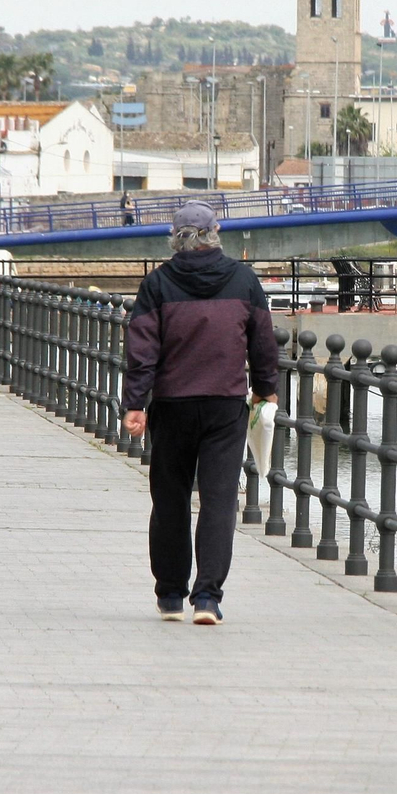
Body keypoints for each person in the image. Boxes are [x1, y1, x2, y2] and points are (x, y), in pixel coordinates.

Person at [122, 200, 278, 625]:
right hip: (224, 405)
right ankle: (207, 598)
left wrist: (135, 403)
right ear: (215, 233)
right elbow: (263, 341)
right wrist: (265, 390)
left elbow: (142, 351)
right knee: (219, 500)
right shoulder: (244, 280)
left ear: (174, 239)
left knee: (169, 498)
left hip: (172, 404)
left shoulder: (157, 284)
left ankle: (171, 594)